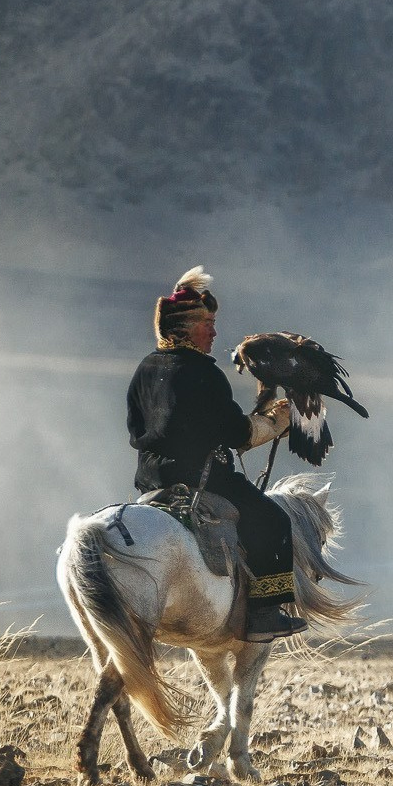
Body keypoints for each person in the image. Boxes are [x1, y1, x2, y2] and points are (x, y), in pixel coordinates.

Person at [127, 266, 308, 641]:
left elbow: (136, 428)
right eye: (207, 322)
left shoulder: (145, 368)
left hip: (150, 481)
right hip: (203, 478)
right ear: (184, 327)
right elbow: (234, 432)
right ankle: (264, 613)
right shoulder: (202, 372)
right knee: (273, 520)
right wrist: (275, 423)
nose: (214, 331)